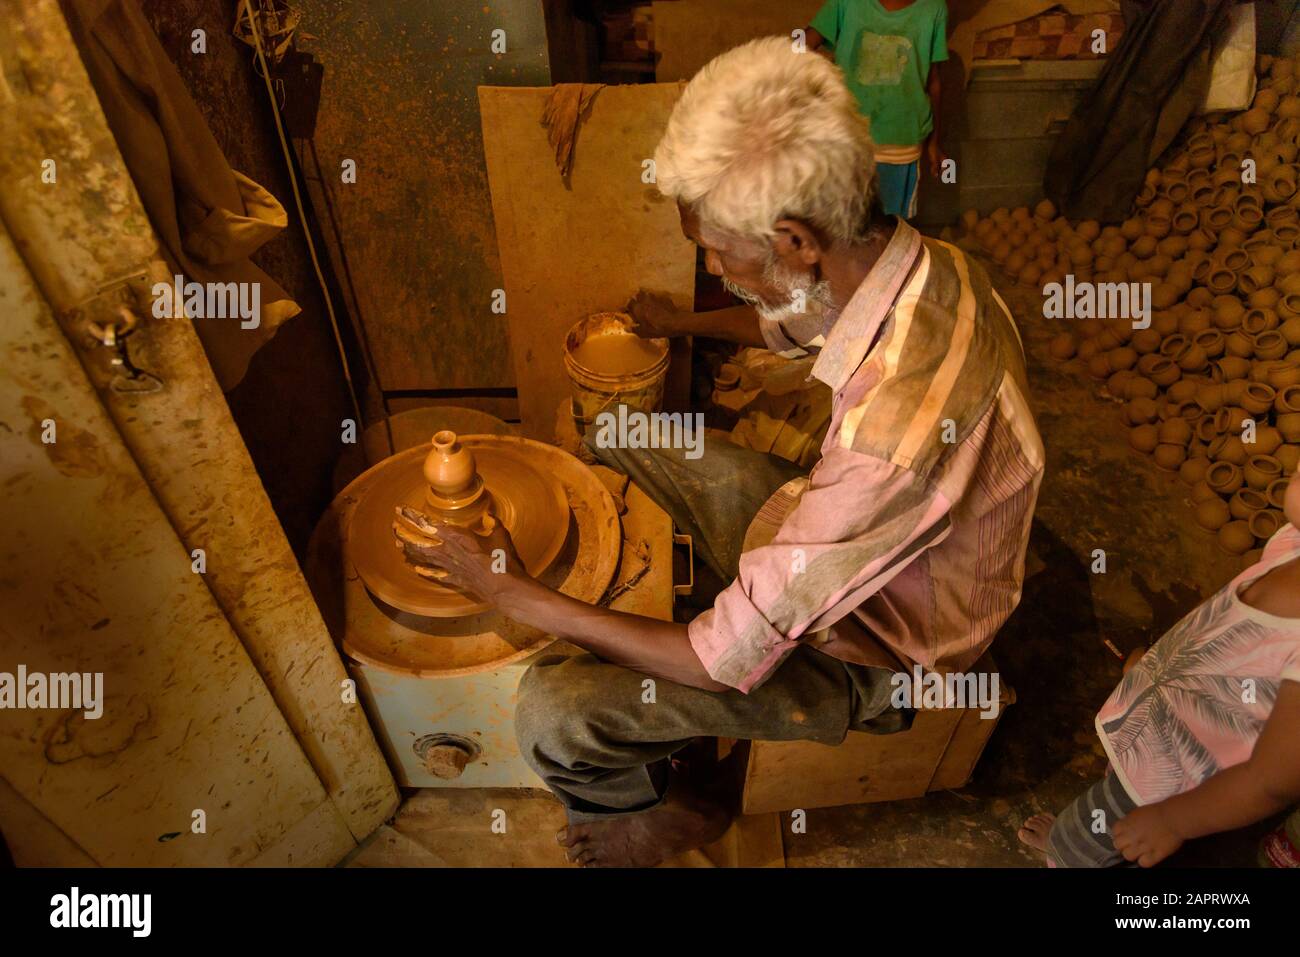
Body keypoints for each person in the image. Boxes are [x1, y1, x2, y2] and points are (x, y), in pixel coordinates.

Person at [403, 36, 1042, 867]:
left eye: (717, 251)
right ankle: (693, 582)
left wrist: (509, 591)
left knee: (553, 714)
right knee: (622, 432)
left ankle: (670, 809)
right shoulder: (918, 266)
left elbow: (715, 660)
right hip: (871, 539)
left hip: (882, 647)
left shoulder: (891, 439)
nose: (712, 264)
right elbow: (788, 323)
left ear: (794, 239)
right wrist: (679, 325)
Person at [1019, 472, 1300, 867]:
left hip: (1179, 775)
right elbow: (1232, 634)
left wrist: (1173, 821)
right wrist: (1156, 672)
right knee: (1114, 794)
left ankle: (1067, 851)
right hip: (1156, 735)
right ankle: (1086, 832)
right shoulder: (1293, 541)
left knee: (1095, 838)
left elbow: (1272, 780)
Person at [806, 0, 949, 219]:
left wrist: (935, 142)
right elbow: (801, 45)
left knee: (891, 224)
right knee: (842, 221)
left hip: (902, 142)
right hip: (847, 141)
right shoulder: (846, 3)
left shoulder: (934, 9)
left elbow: (934, 80)